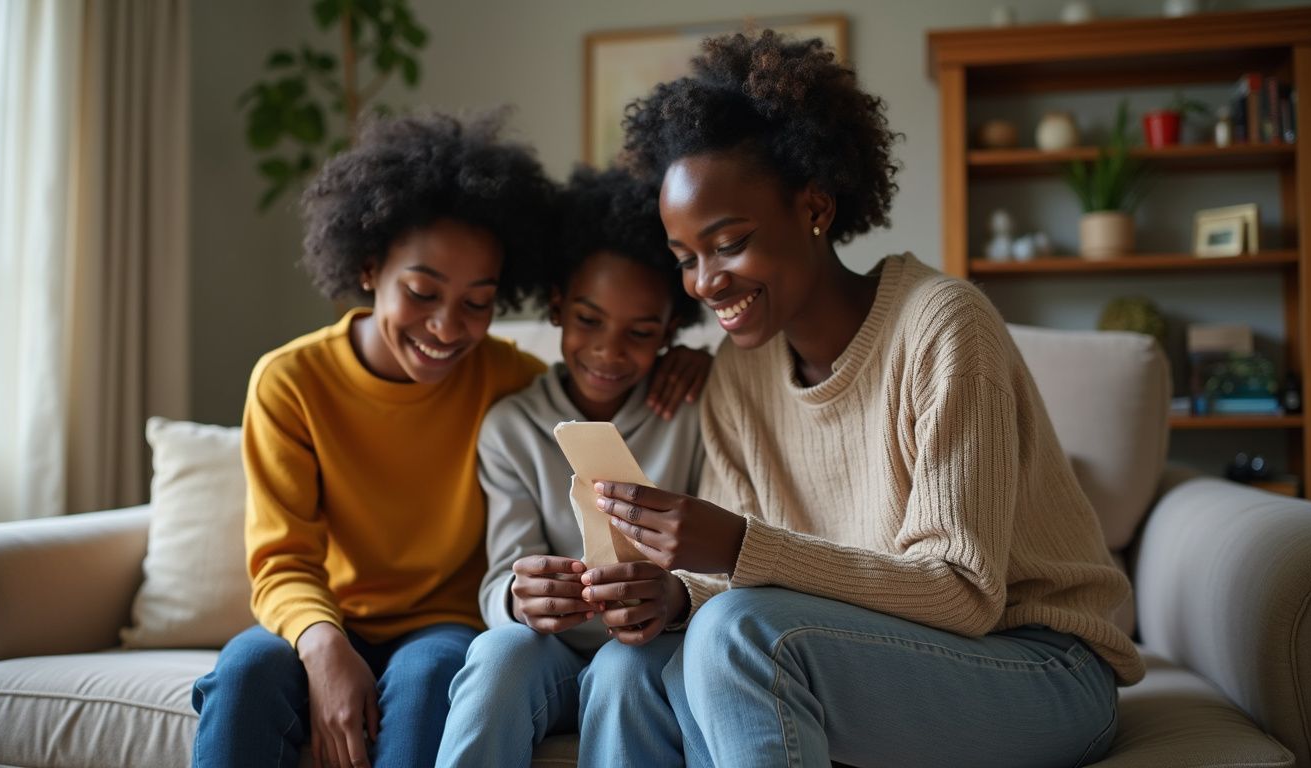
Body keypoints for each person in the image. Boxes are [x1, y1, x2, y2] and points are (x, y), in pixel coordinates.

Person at [582, 31, 1144, 768]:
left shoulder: (943, 326)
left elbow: (963, 593)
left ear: (814, 207)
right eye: (686, 258)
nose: (705, 282)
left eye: (729, 242)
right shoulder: (737, 374)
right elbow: (725, 580)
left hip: (1039, 664)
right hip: (869, 654)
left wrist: (739, 548)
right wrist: (677, 594)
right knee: (625, 669)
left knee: (742, 634)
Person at [191, 111, 559, 768]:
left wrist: (683, 365)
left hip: (445, 625)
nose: (447, 327)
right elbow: (282, 560)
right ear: (368, 267)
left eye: (478, 302)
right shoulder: (291, 381)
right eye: (422, 292)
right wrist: (321, 643)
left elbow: (603, 405)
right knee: (246, 672)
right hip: (327, 613)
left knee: (427, 684)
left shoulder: (514, 380)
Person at [434, 166, 710, 768]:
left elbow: (721, 556)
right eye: (588, 320)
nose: (609, 351)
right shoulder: (512, 428)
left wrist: (671, 594)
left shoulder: (693, 414)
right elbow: (503, 572)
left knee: (622, 672)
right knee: (499, 655)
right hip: (548, 647)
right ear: (557, 308)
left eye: (640, 332)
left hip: (652, 641)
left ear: (670, 333)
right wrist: (519, 595)